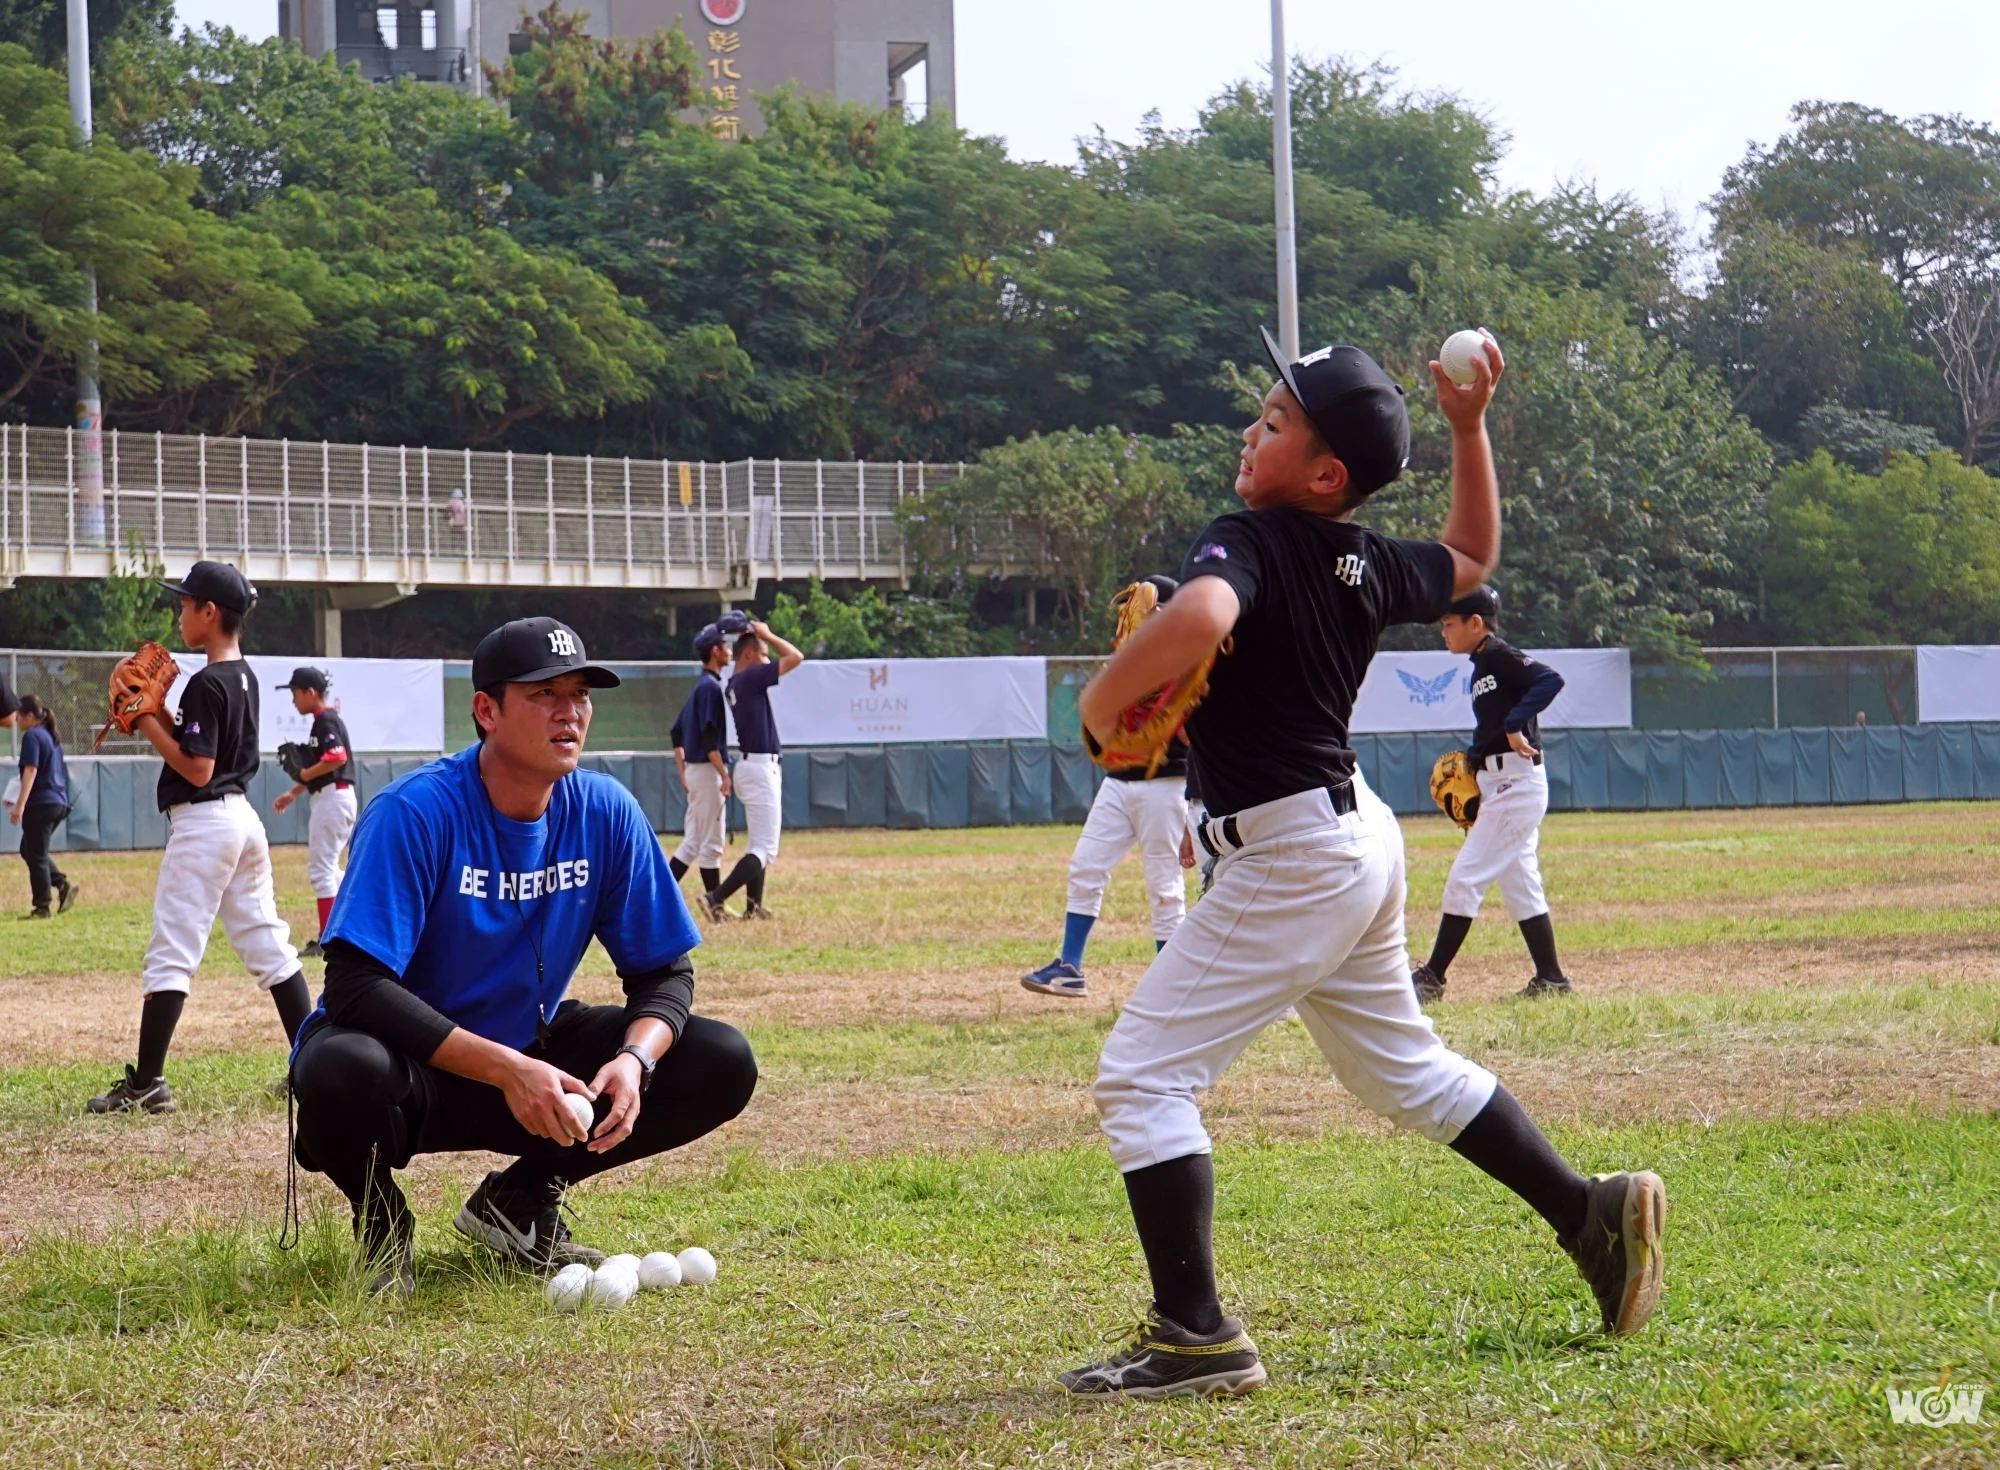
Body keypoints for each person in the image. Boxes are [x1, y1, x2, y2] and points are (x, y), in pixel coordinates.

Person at [1058, 328, 1664, 1398]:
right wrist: (1467, 429)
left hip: (1292, 852)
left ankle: (1193, 1336)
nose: (1253, 429)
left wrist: (1103, 701)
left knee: (1142, 1076)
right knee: (1401, 1070)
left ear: (1325, 471)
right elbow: (1470, 560)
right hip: (1350, 838)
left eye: (1277, 420)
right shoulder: (1365, 560)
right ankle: (1587, 1214)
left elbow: (1200, 610)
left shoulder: (1242, 539)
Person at [288, 617, 757, 1295]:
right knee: (335, 1066)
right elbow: (357, 985)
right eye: (544, 694)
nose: (569, 711)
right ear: (487, 710)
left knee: (719, 1059)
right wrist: (509, 1071)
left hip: (531, 1058)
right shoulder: (414, 813)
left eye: (580, 695)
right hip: (410, 1066)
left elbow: (664, 974)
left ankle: (519, 1200)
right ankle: (382, 1219)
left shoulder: (605, 813)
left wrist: (634, 1060)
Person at [88, 562, 309, 1116]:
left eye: (186, 605)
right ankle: (313, 1064)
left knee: (172, 949)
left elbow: (198, 768)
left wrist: (143, 722)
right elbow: (201, 746)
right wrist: (158, 710)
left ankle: (147, 1082)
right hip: (243, 823)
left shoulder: (207, 683)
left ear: (210, 614)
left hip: (206, 822)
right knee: (269, 946)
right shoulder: (243, 675)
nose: (179, 613)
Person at [1024, 576, 1193, 998]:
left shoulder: (1189, 662)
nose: (1137, 611)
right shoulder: (1128, 660)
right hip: (1119, 783)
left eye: (1150, 605)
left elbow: (1198, 736)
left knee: (1164, 886)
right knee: (1085, 866)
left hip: (1166, 785)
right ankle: (1069, 968)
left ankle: (1168, 988)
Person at [1410, 587, 1572, 1003]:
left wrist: (1516, 724)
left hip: (1515, 786)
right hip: (1502, 783)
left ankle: (1432, 978)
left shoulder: (1498, 655)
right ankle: (1551, 979)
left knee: (1464, 879)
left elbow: (1550, 678)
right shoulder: (1482, 665)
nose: (1443, 631)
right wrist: (1475, 757)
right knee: (1521, 885)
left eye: (1449, 623)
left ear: (1475, 623)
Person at [703, 619, 804, 921]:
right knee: (764, 847)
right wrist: (767, 634)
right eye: (762, 654)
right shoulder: (749, 678)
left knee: (757, 843)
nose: (766, 660)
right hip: (759, 767)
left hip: (752, 765)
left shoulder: (737, 683)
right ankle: (715, 897)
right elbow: (795, 657)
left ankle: (753, 907)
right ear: (749, 655)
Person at [271, 667, 357, 959]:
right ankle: (347, 924)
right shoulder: (323, 721)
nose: (293, 700)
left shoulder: (325, 720)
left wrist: (306, 772)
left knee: (321, 871)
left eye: (295, 692)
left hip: (333, 798)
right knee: (331, 870)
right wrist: (294, 792)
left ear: (311, 693)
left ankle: (327, 938)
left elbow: (336, 757)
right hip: (335, 796)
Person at [668, 625, 731, 905]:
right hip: (706, 771)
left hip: (695, 771)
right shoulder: (711, 688)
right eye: (726, 646)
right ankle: (714, 904)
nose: (729, 651)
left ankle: (655, 896)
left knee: (692, 841)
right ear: (716, 651)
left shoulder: (699, 686)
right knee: (711, 843)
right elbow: (709, 739)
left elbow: (675, 731)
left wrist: (683, 772)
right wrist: (724, 774)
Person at [10, 695, 77, 919]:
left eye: (19, 715)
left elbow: (31, 770)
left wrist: (19, 805)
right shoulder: (50, 737)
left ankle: (42, 907)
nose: (16, 719)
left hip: (41, 802)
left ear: (30, 716)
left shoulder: (32, 735)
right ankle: (61, 883)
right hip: (58, 802)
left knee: (36, 855)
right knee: (28, 849)